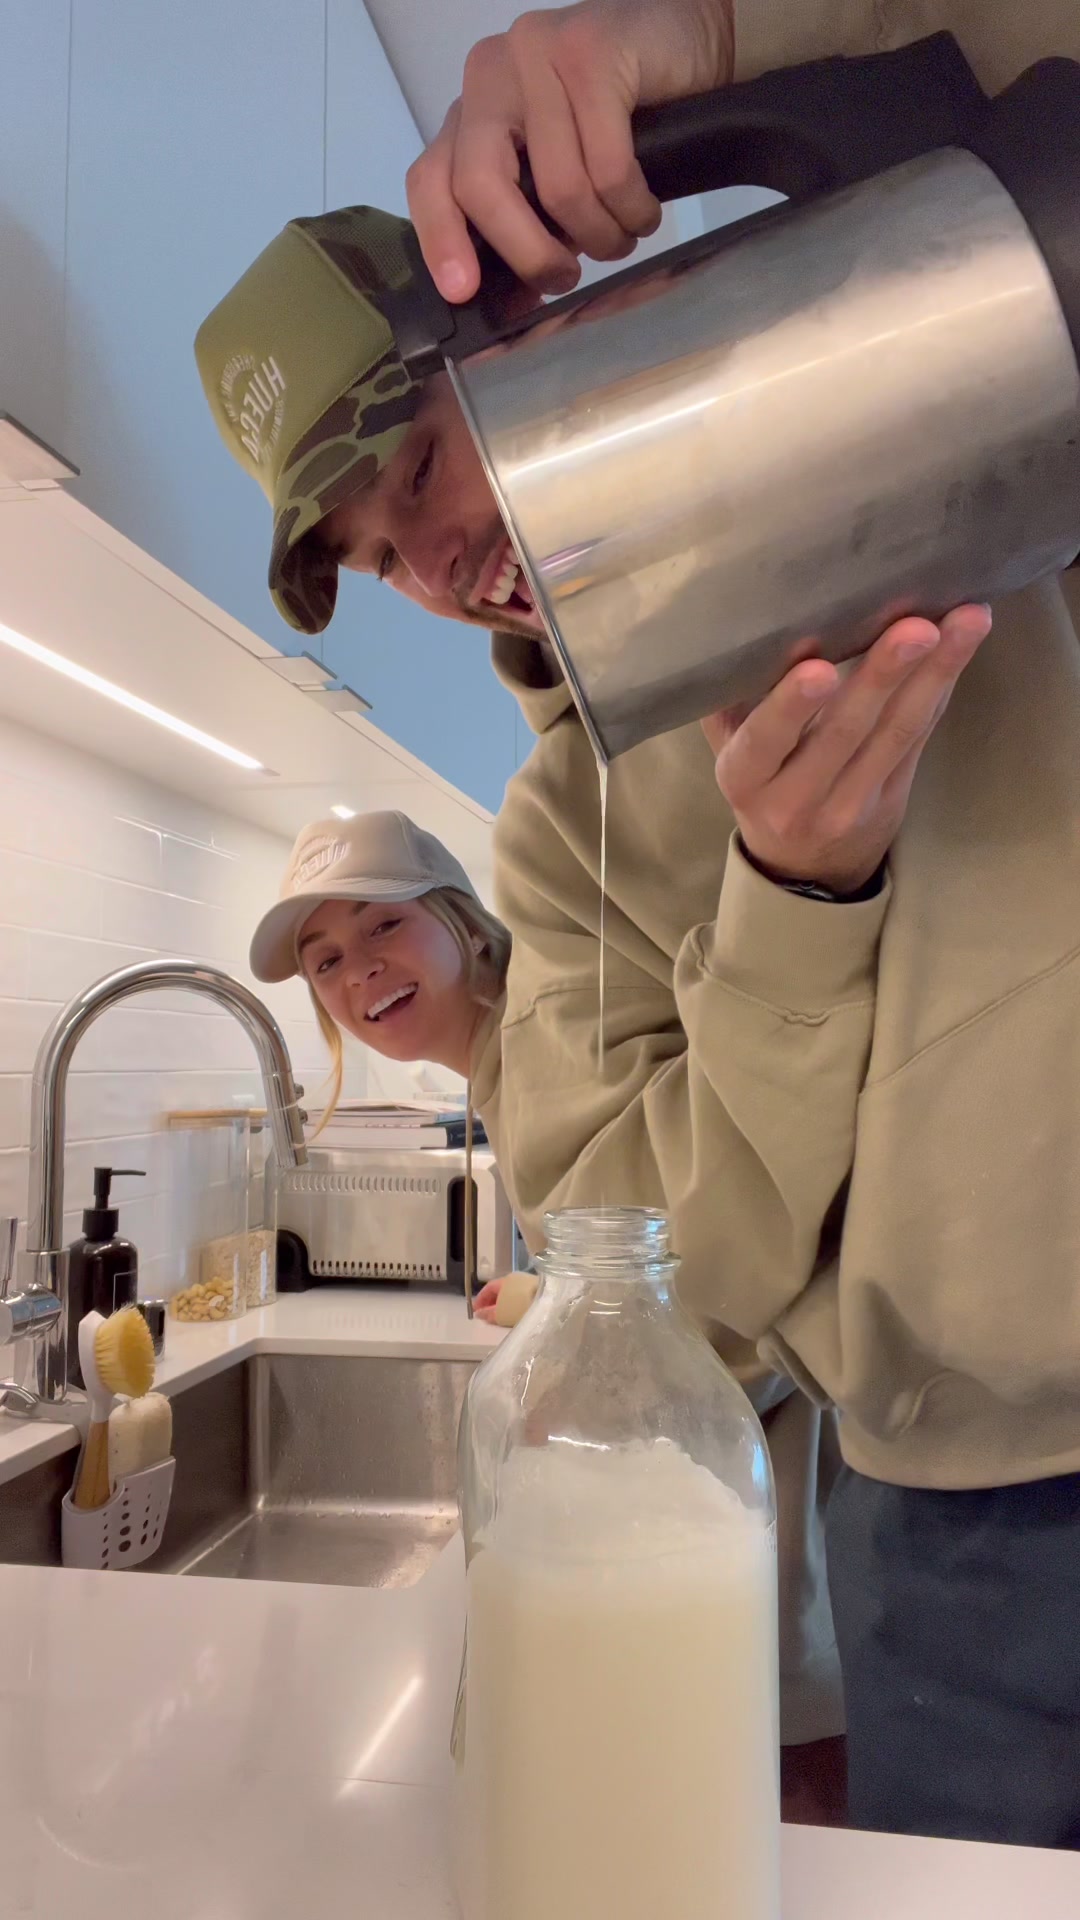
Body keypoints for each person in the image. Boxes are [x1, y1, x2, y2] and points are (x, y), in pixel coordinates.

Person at [194, 0, 1080, 1844]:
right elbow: (678, 1272)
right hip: (953, 1536)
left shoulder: (940, 441)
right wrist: (794, 897)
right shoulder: (557, 851)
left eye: (417, 470)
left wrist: (727, 31)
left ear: (530, 327)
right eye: (374, 554)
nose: (435, 565)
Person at [249, 806, 522, 1326]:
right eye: (327, 962)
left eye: (384, 925)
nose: (358, 971)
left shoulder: (538, 1047)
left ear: (468, 925)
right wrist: (553, 1288)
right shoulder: (503, 1064)